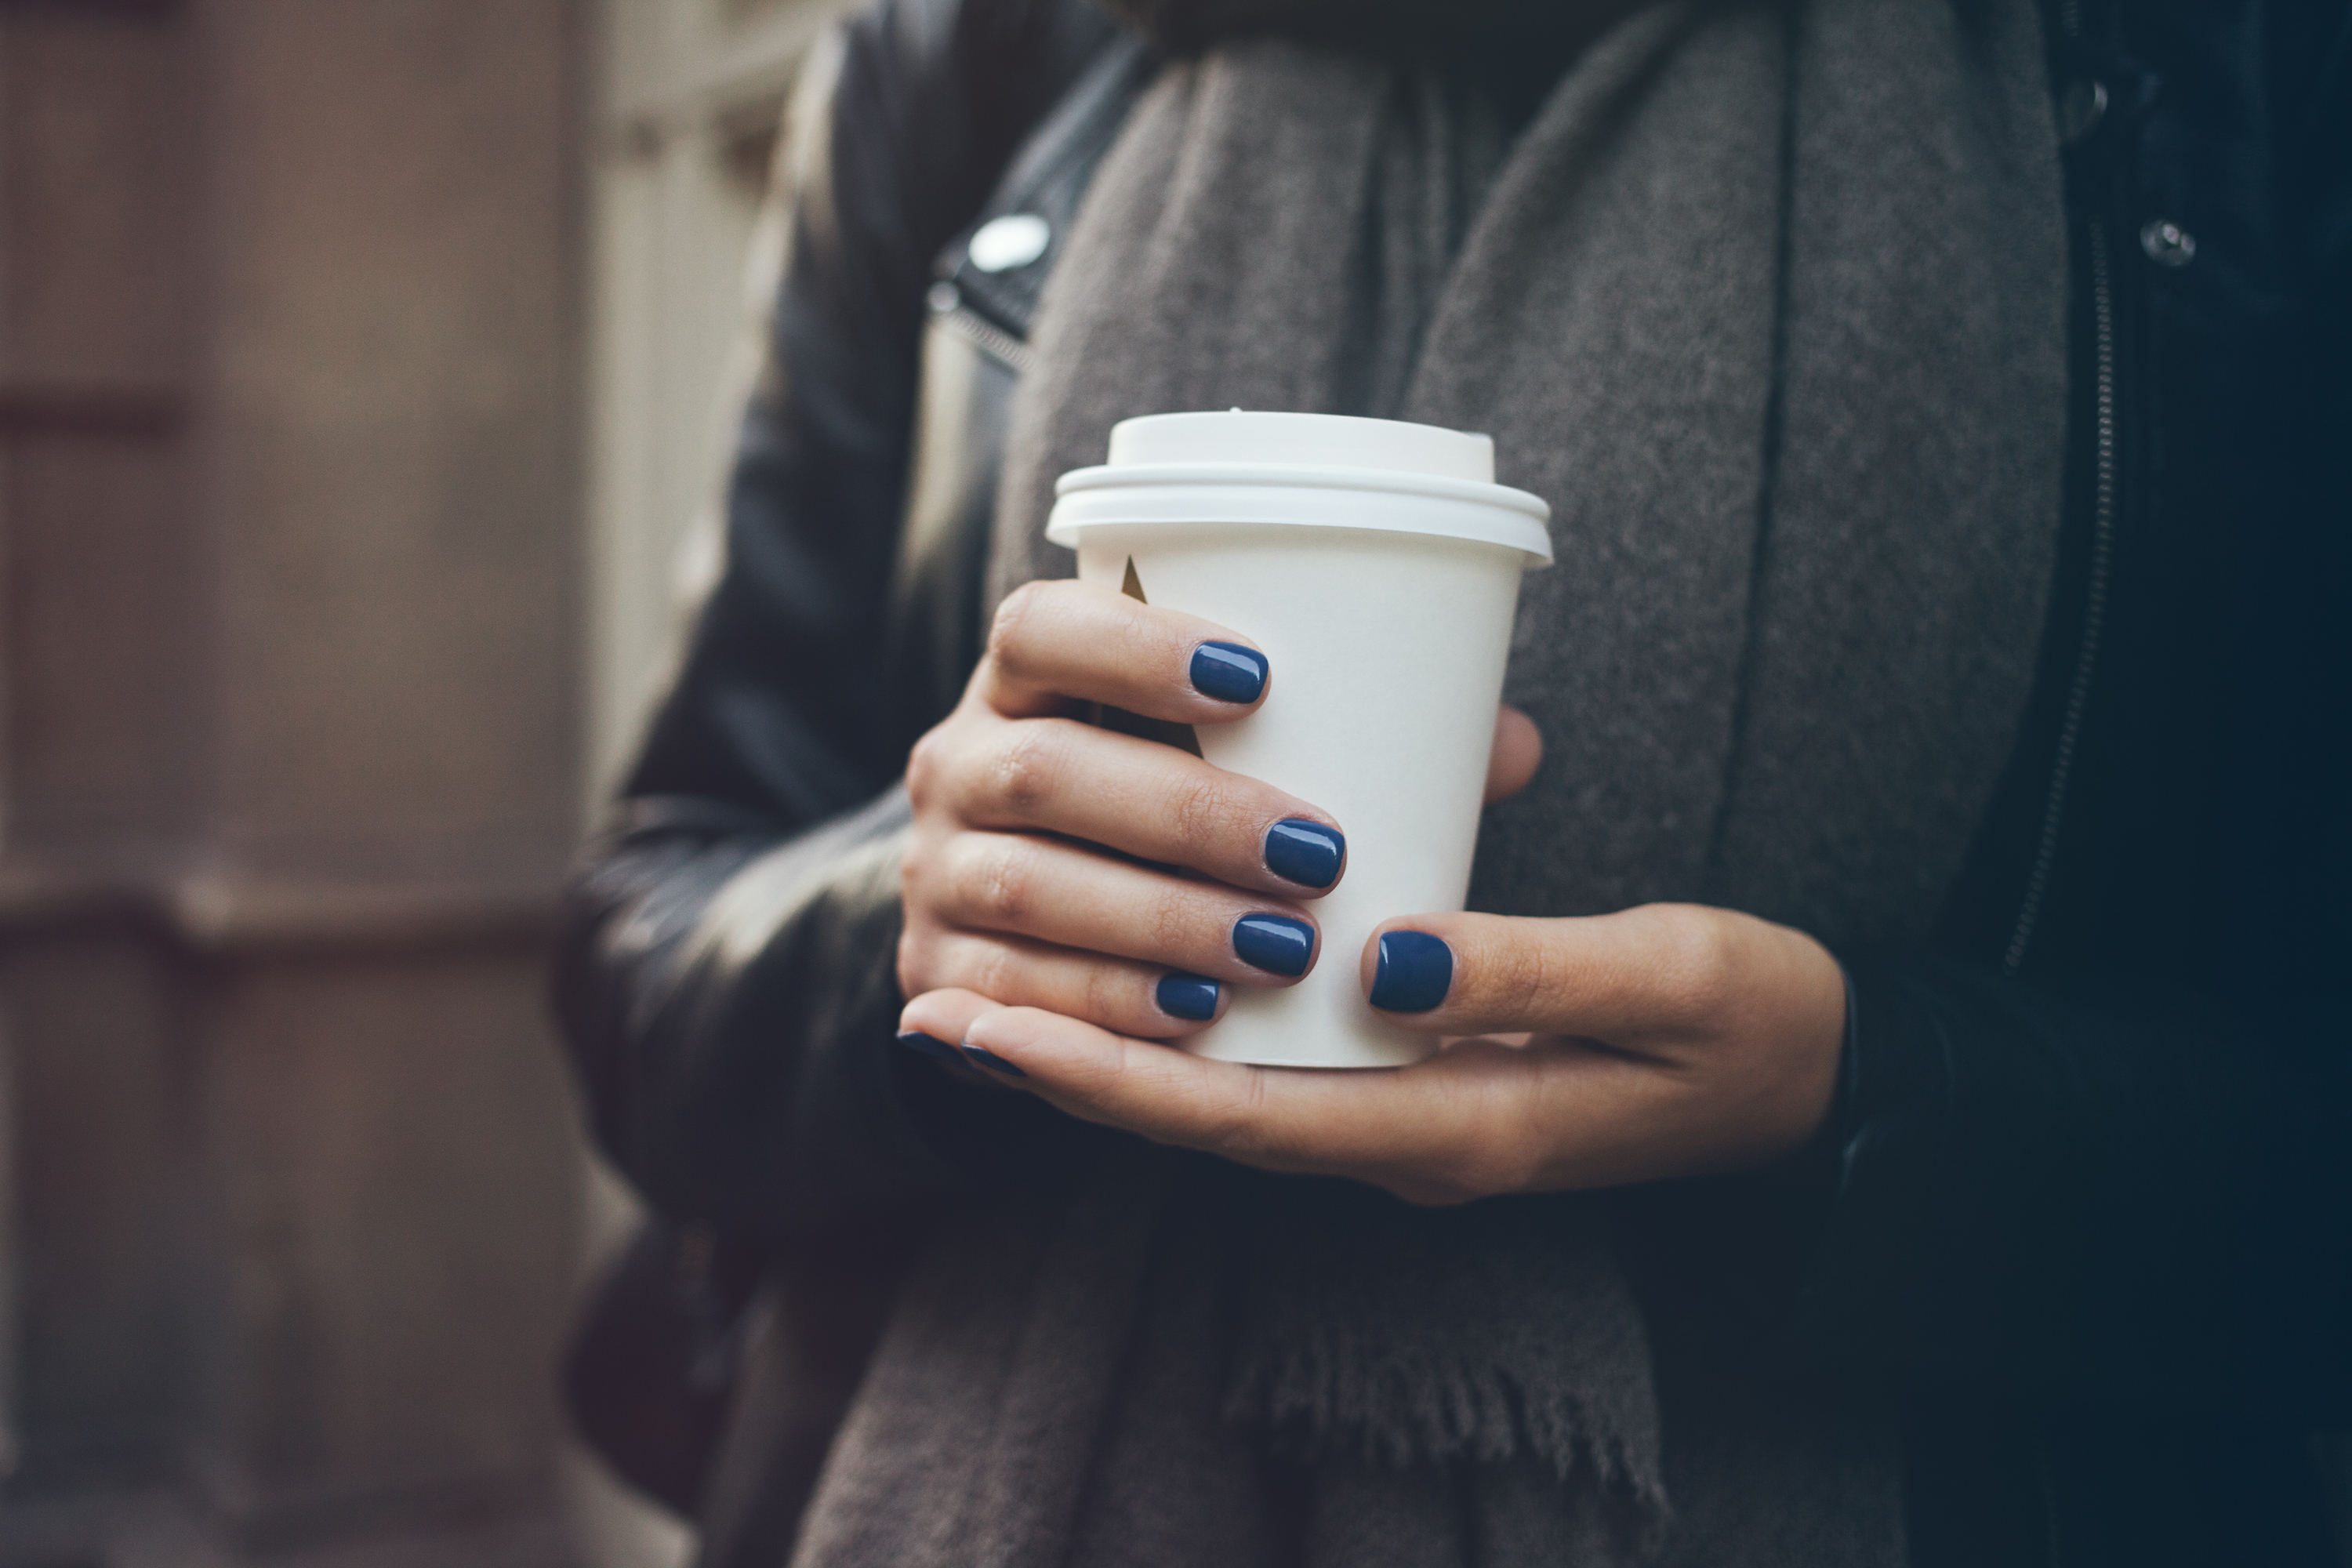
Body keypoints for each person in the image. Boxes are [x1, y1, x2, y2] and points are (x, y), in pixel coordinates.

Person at [554, 0, 2352, 1563]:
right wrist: (933, 916)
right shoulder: (966, 47)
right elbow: (646, 935)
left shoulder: (2237, 55)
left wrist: (1862, 1093)